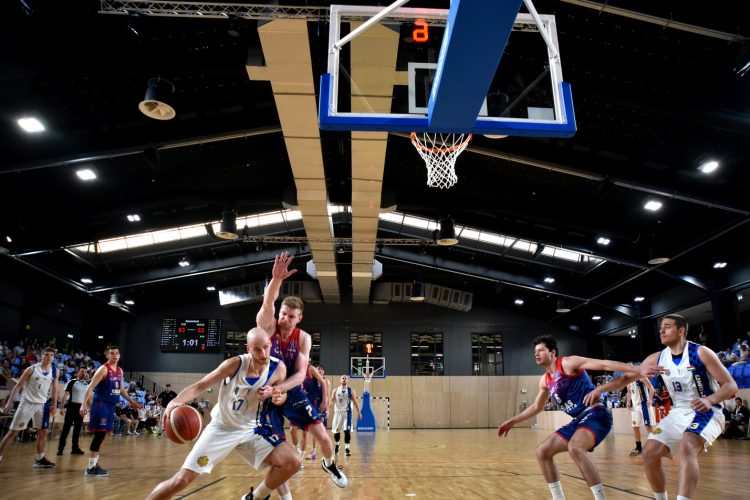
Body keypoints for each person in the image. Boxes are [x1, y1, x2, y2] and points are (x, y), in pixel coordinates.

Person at [585, 314, 736, 500]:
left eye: (667, 327)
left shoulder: (701, 352)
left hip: (707, 410)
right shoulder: (657, 358)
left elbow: (731, 385)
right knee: (649, 452)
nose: (661, 331)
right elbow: (625, 378)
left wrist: (710, 400)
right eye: (660, 328)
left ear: (681, 331)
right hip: (678, 411)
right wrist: (601, 390)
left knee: (687, 445)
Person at [497, 335, 663, 500]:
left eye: (541, 350)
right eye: (535, 351)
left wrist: (637, 369)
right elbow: (537, 407)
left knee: (575, 448)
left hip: (596, 413)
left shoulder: (568, 363)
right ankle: (558, 498)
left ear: (553, 352)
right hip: (578, 420)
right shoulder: (545, 381)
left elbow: (603, 364)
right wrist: (513, 421)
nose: (536, 353)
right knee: (542, 451)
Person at [144, 327, 301, 500]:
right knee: (181, 481)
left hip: (252, 430)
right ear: (248, 349)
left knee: (293, 461)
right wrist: (175, 401)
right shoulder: (233, 365)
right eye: (257, 349)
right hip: (221, 430)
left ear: (270, 344)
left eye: (266, 347)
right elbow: (200, 386)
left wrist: (277, 395)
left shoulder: (278, 368)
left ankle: (255, 497)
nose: (263, 353)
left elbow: (281, 393)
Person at [256, 252, 346, 488]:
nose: (285, 318)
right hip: (264, 390)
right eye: (283, 314)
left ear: (299, 318)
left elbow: (299, 374)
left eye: (291, 316)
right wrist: (276, 280)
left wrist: (280, 389)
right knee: (278, 452)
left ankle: (329, 464)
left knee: (323, 436)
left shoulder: (304, 338)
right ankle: (266, 493)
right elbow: (267, 305)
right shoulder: (268, 325)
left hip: (292, 390)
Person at [79, 345, 140, 477]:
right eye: (112, 353)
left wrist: (132, 402)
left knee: (104, 436)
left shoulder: (119, 371)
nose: (115, 355)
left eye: (117, 353)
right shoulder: (103, 369)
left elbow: (122, 390)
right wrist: (83, 405)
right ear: (107, 356)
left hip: (111, 406)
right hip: (101, 404)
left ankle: (94, 464)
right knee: (99, 435)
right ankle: (90, 467)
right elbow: (90, 387)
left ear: (119, 356)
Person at [0, 347, 59, 468]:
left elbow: (55, 388)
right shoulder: (31, 369)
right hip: (27, 403)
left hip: (43, 404)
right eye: (47, 355)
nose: (49, 357)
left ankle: (40, 459)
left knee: (43, 432)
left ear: (54, 357)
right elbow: (18, 386)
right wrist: (9, 402)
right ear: (41, 356)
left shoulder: (55, 370)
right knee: (13, 432)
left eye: (51, 355)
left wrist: (54, 404)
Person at [299, 364, 330, 461]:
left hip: (322, 407)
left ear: (323, 372)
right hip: (313, 405)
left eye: (321, 369)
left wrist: (327, 409)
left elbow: (328, 396)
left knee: (322, 431)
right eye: (318, 369)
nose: (320, 371)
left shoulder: (325, 381)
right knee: (312, 431)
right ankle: (313, 452)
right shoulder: (313, 380)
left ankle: (328, 454)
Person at [57, 367, 89, 455]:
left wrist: (88, 407)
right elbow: (65, 395)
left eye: (85, 372)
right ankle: (60, 449)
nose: (84, 373)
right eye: (82, 372)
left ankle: (75, 448)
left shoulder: (87, 384)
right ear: (78, 372)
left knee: (77, 429)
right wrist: (62, 407)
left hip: (80, 408)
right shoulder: (72, 382)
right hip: (72, 406)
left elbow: (87, 398)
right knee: (66, 428)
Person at [330, 374, 362, 457]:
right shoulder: (335, 390)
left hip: (347, 413)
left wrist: (359, 412)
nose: (344, 379)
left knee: (347, 431)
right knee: (336, 432)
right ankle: (337, 445)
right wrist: (328, 407)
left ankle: (347, 449)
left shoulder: (351, 391)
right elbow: (331, 400)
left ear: (347, 381)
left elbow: (355, 402)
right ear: (340, 380)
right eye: (342, 378)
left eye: (345, 378)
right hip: (337, 413)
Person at [626, 370, 656, 456]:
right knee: (635, 427)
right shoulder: (628, 380)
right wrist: (628, 401)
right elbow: (629, 392)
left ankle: (654, 446)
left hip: (644, 405)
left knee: (648, 427)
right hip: (635, 406)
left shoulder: (641, 377)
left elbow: (651, 388)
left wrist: (650, 399)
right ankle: (638, 447)